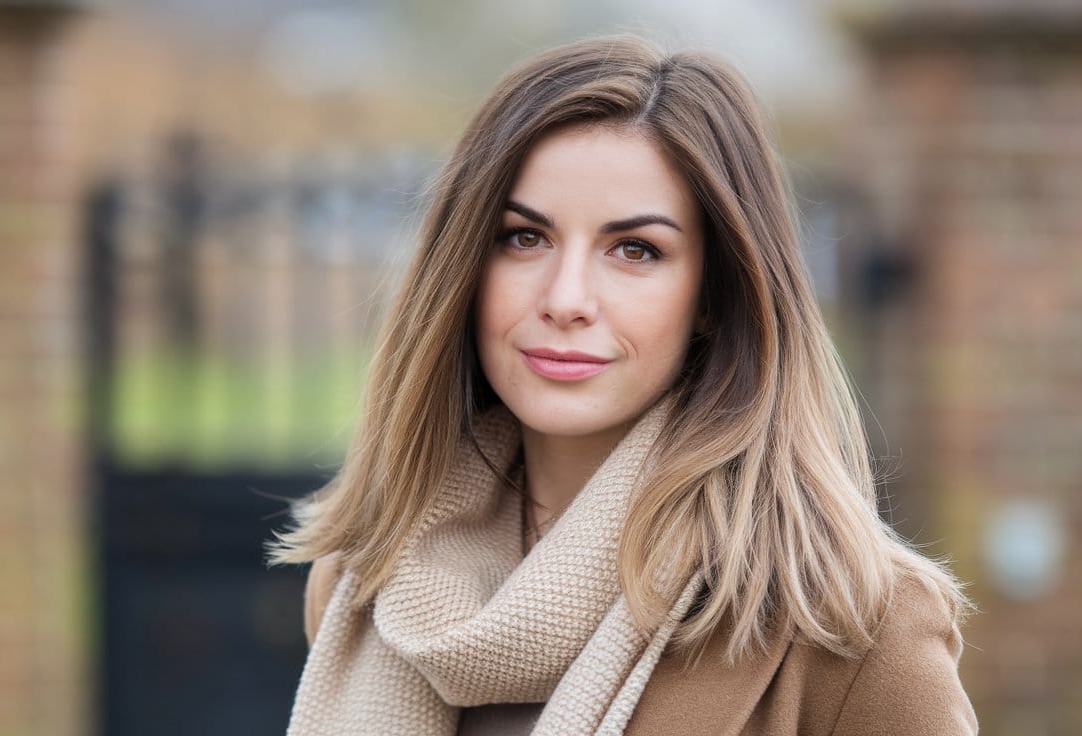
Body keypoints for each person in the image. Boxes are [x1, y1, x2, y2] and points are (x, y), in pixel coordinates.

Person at [266, 33, 978, 736]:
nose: (566, 297)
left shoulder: (855, 625)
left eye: (635, 250)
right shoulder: (366, 584)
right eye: (524, 237)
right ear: (464, 267)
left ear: (713, 295)